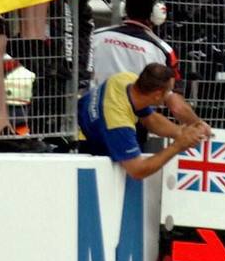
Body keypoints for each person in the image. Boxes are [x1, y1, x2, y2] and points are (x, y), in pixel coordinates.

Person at [90, 0, 203, 129]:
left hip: (91, 115)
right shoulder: (163, 51)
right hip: (132, 123)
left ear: (125, 8)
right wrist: (198, 125)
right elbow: (174, 103)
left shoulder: (97, 37)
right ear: (158, 12)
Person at [78, 63, 210, 179]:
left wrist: (181, 132)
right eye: (169, 91)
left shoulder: (125, 79)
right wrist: (178, 146)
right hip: (86, 147)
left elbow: (151, 119)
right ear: (158, 94)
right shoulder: (119, 123)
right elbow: (137, 170)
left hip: (84, 121)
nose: (171, 95)